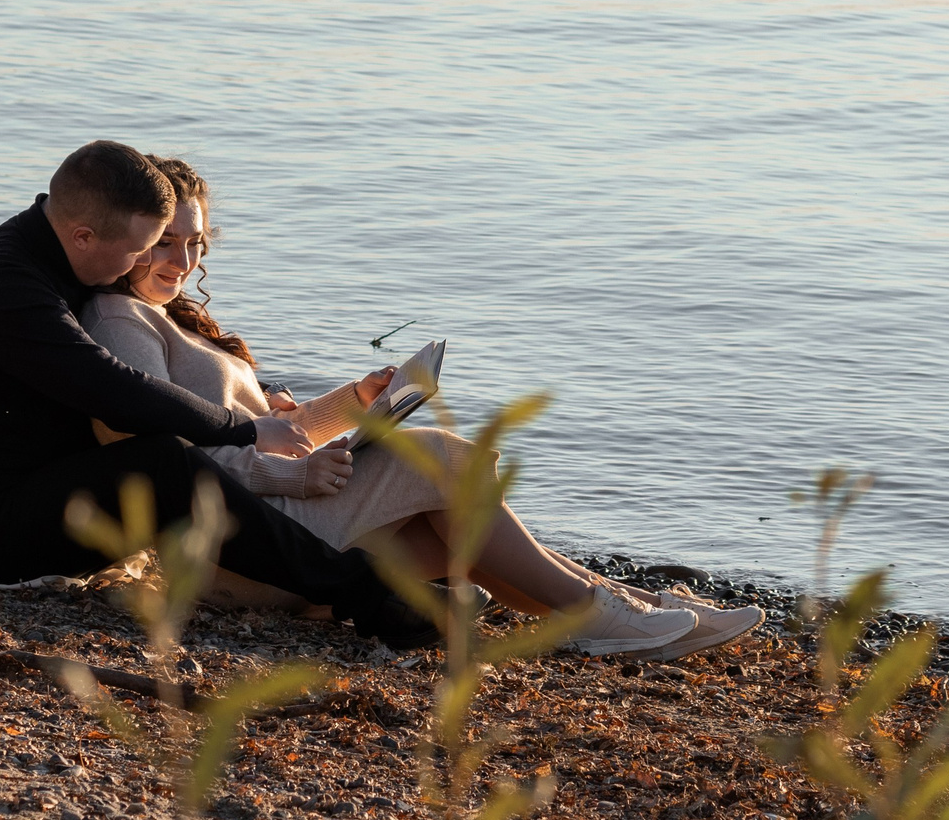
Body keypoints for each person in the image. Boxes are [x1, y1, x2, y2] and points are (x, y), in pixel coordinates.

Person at [78, 156, 765, 663]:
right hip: (235, 544)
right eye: (166, 239)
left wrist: (354, 403)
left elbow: (271, 434)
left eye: (196, 240)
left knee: (459, 514)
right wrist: (291, 474)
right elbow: (164, 456)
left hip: (275, 519)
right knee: (442, 456)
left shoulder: (176, 319)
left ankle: (621, 610)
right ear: (132, 232)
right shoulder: (120, 319)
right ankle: (605, 615)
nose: (183, 256)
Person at [0, 141, 434, 648]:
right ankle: (366, 595)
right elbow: (120, 391)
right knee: (162, 462)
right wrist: (244, 427)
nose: (145, 263)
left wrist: (271, 400)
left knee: (164, 458)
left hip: (38, 491)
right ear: (84, 236)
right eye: (139, 249)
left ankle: (365, 586)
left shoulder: (49, 251)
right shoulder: (9, 289)